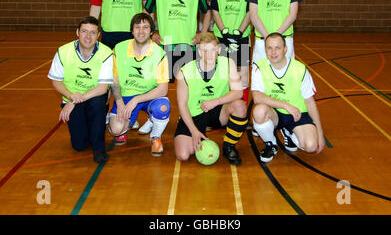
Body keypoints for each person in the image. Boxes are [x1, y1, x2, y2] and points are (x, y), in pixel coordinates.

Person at [174, 32, 248, 166]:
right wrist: (194, 131)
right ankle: (198, 132)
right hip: (193, 114)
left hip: (218, 111)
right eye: (204, 50)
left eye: (213, 50)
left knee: (240, 106)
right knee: (183, 155)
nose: (209, 54)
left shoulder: (228, 63)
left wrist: (216, 101)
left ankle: (229, 146)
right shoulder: (185, 71)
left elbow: (238, 92)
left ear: (219, 50)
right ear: (199, 51)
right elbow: (182, 105)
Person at [251, 32, 325, 162]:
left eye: (278, 48)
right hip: (275, 113)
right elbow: (257, 97)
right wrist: (285, 105)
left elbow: (310, 102)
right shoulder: (259, 67)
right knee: (259, 111)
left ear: (285, 49)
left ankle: (289, 132)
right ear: (265, 49)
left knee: (311, 146)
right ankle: (271, 143)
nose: (273, 52)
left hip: (297, 114)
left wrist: (320, 133)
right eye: (269, 48)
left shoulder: (300, 69)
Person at [48, 16, 113, 164]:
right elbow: (56, 81)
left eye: (92, 32)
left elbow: (103, 88)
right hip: (73, 98)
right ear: (77, 32)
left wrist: (75, 100)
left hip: (95, 96)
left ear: (98, 35)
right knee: (79, 145)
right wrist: (71, 97)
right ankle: (94, 125)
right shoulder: (63, 52)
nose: (88, 36)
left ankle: (99, 149)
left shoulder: (106, 53)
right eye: (84, 31)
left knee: (97, 104)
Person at [108, 13, 170, 155]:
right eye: (137, 27)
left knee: (162, 107)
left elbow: (162, 90)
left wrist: (136, 100)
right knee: (117, 129)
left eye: (145, 27)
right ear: (132, 30)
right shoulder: (119, 49)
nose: (141, 31)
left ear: (151, 31)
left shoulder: (159, 53)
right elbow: (114, 80)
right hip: (126, 96)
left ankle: (155, 137)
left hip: (149, 96)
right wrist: (120, 102)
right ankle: (123, 125)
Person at [145, 0, 211, 83]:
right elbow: (147, 12)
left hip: (189, 45)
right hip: (166, 45)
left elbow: (207, 12)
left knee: (190, 84)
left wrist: (202, 34)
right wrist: (151, 34)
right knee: (162, 85)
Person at [210, 0, 252, 103]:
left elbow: (250, 11)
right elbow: (215, 10)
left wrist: (239, 32)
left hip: (241, 36)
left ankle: (242, 112)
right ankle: (221, 110)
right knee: (221, 74)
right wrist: (225, 32)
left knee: (242, 74)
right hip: (222, 37)